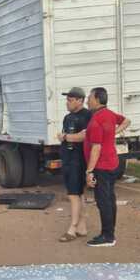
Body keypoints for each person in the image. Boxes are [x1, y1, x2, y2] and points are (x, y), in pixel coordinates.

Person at [80, 88, 130, 248]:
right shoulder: (109, 114)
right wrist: (113, 132)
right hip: (112, 163)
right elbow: (127, 121)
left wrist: (89, 171)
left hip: (101, 166)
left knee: (103, 201)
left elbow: (96, 148)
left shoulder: (96, 120)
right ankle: (109, 233)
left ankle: (108, 236)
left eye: (89, 97)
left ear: (97, 99)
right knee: (109, 199)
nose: (87, 100)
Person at [57, 87, 91, 242]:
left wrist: (65, 137)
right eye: (67, 100)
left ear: (80, 100)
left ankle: (72, 229)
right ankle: (82, 227)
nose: (67, 103)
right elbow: (69, 136)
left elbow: (85, 136)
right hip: (68, 159)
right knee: (78, 194)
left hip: (78, 161)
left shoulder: (87, 116)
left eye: (70, 100)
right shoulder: (67, 117)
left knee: (73, 195)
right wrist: (65, 137)